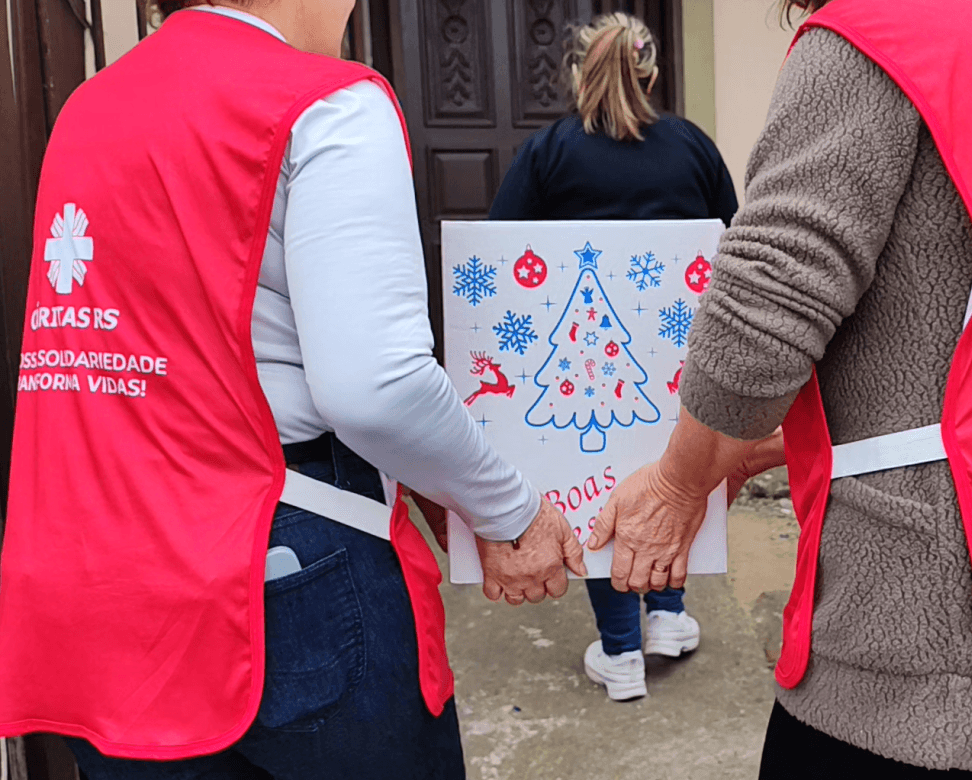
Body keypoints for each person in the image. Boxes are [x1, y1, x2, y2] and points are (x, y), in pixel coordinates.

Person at [589, 0, 972, 776]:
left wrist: (676, 484)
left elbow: (762, 311)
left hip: (933, 643)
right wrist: (756, 448)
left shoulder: (871, 40)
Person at [0, 1, 586, 778]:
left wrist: (444, 487)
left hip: (94, 574)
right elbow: (376, 388)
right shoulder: (326, 102)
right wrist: (511, 511)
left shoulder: (88, 109)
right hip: (272, 563)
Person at [489, 11, 739, 701]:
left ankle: (623, 651)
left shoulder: (549, 151)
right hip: (677, 353)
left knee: (599, 490)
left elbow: (500, 247)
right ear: (651, 75)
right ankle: (668, 615)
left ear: (577, 75)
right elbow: (732, 234)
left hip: (587, 356)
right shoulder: (691, 145)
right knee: (666, 476)